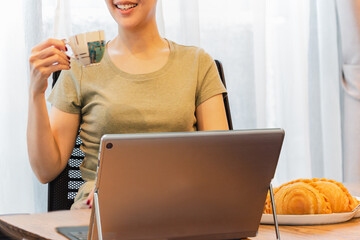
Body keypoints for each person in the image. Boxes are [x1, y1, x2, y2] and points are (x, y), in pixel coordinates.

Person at [27, 0, 229, 209]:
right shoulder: (80, 67)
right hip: (99, 211)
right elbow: (46, 170)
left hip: (177, 208)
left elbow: (218, 166)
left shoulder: (197, 64)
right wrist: (36, 92)